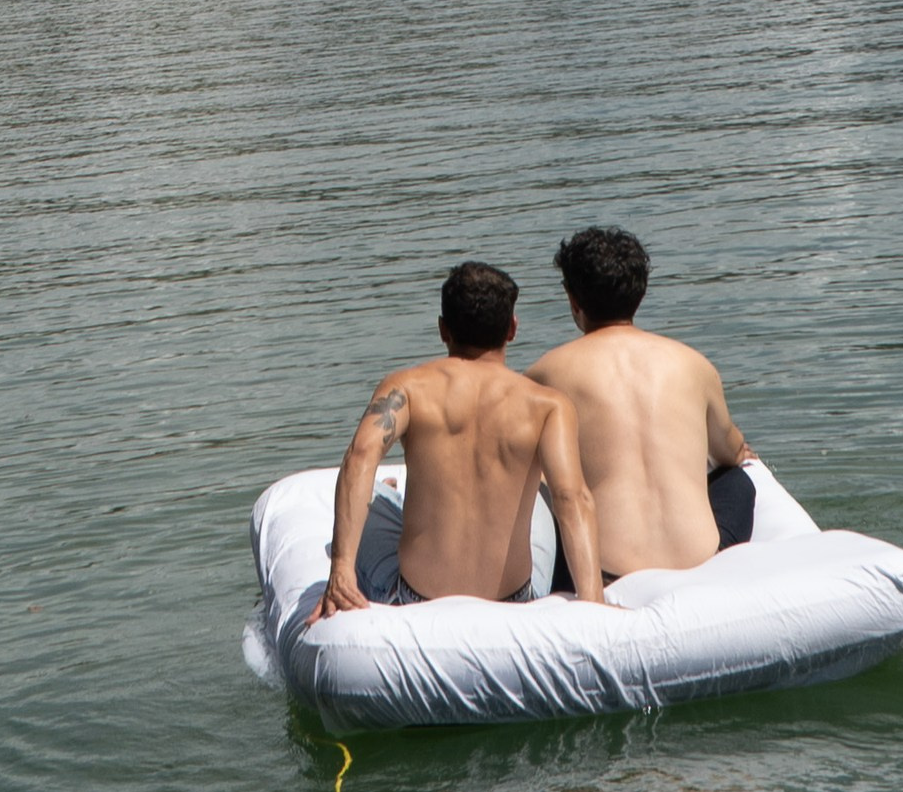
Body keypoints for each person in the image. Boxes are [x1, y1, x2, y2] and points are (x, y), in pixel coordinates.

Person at [317, 259, 606, 613]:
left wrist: (341, 570)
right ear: (512, 328)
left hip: (417, 597)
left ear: (443, 329)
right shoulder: (548, 405)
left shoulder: (406, 388)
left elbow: (360, 457)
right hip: (514, 597)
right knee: (546, 490)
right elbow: (572, 498)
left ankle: (391, 493)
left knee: (375, 498)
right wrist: (593, 604)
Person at [529, 226, 756, 580]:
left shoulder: (545, 372)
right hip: (705, 558)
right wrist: (738, 450)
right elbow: (730, 451)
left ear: (574, 301)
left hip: (603, 570)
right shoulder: (694, 364)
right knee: (736, 481)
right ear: (641, 292)